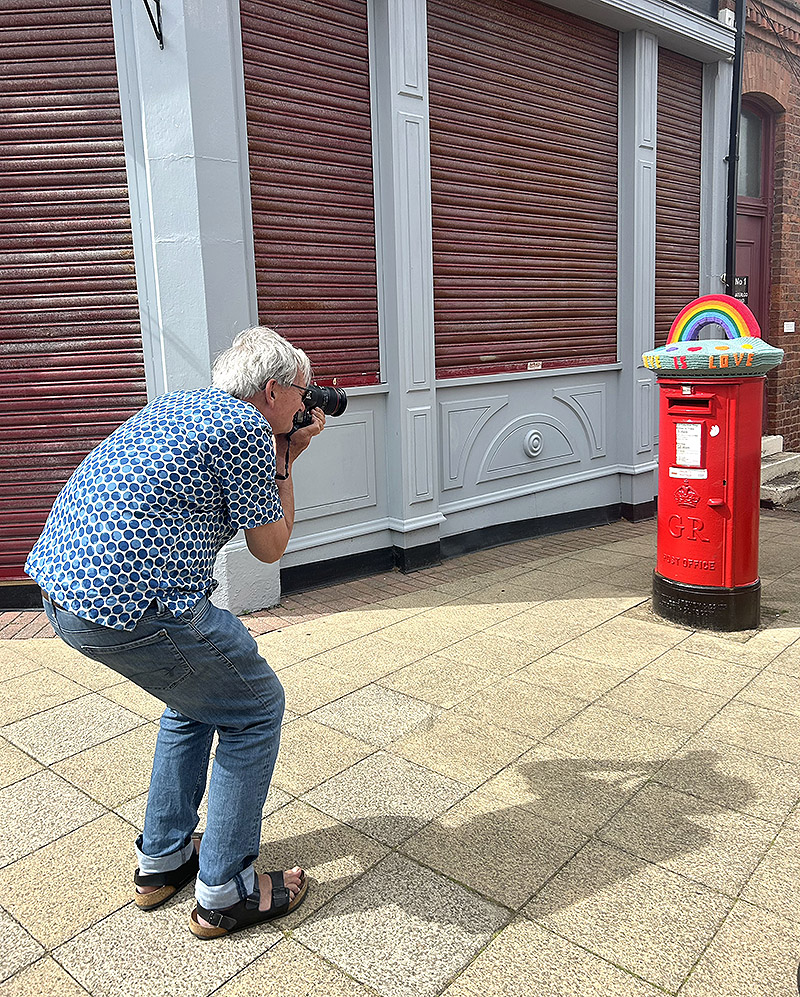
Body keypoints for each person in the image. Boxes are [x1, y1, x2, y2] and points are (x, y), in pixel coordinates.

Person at [25, 326, 324, 939]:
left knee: (193, 701)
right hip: (141, 607)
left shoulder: (177, 406)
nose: (307, 403)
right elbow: (271, 548)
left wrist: (281, 442)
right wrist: (289, 457)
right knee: (255, 708)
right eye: (301, 391)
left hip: (66, 594)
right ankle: (226, 891)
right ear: (271, 390)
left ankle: (162, 860)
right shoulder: (244, 430)